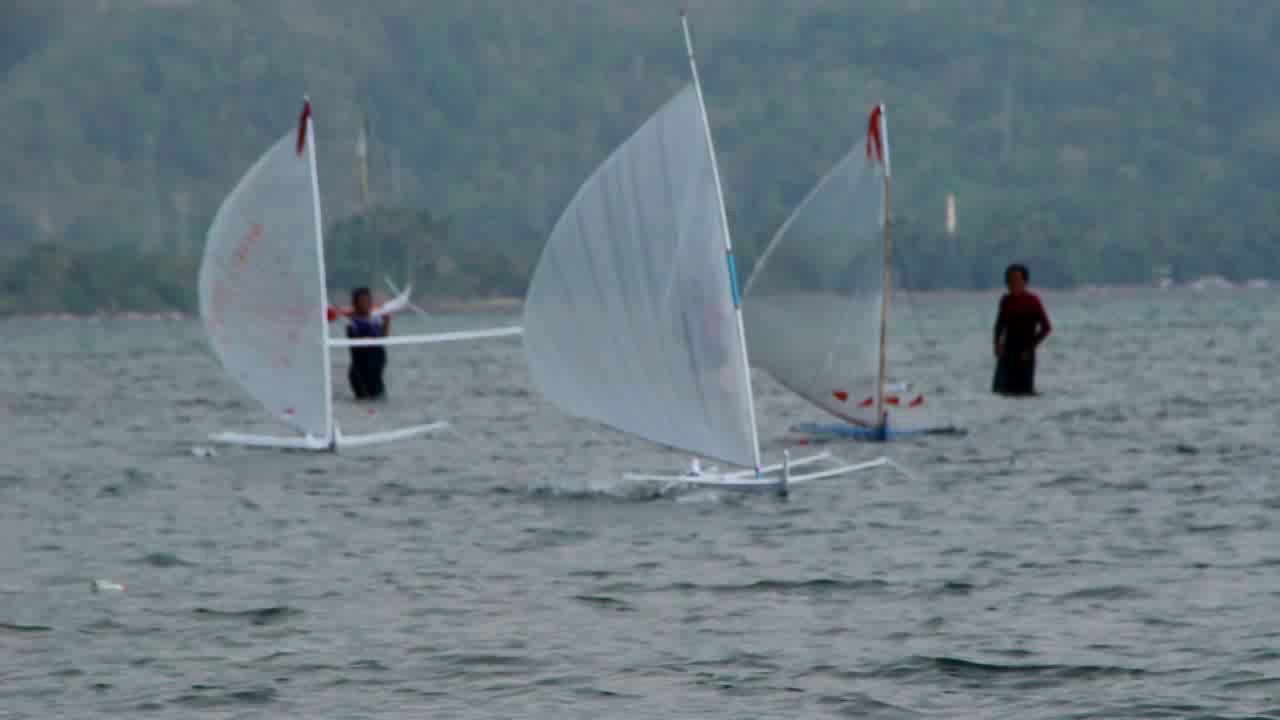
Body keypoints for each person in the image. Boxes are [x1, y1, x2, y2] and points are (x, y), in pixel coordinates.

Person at [992, 263, 1051, 396]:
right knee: (1000, 391)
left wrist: (1031, 347)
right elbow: (999, 325)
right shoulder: (1005, 301)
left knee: (1025, 393)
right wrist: (996, 344)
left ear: (1025, 282)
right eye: (1011, 280)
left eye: (1018, 280)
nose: (1014, 284)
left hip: (1025, 355)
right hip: (1007, 353)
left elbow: (1046, 327)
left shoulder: (1033, 301)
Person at [347, 287, 390, 400]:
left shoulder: (373, 321)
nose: (367, 303)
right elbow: (368, 338)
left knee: (381, 401)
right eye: (363, 301)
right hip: (362, 375)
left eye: (369, 300)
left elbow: (383, 338)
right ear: (355, 304)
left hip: (376, 373)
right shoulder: (353, 323)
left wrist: (386, 321)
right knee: (366, 403)